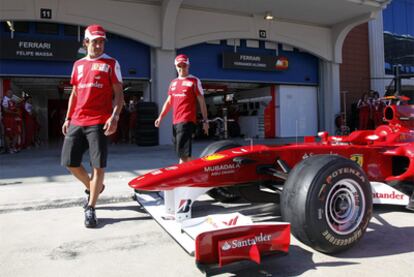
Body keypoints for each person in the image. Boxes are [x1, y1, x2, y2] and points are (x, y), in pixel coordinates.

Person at [61, 24, 124, 228]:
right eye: (94, 41)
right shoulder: (78, 65)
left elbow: (119, 95)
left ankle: (91, 207)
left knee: (98, 166)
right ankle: (94, 187)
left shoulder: (111, 63)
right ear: (86, 42)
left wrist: (114, 117)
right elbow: (75, 93)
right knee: (70, 162)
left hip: (99, 121)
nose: (98, 45)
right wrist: (68, 118)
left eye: (101, 41)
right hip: (78, 119)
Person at [155, 54, 209, 163]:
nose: (181, 68)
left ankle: (190, 174)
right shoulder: (173, 83)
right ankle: (202, 166)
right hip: (176, 122)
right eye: (179, 66)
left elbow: (202, 101)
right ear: (176, 67)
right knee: (182, 154)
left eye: (184, 66)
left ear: (188, 65)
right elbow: (169, 102)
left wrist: (205, 121)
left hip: (187, 120)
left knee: (183, 156)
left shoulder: (194, 81)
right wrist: (160, 117)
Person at [1, 89, 19, 153]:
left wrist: (16, 105)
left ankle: (13, 147)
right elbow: (5, 110)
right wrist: (15, 113)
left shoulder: (11, 100)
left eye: (12, 93)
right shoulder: (5, 100)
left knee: (16, 133)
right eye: (9, 92)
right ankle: (9, 149)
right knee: (7, 134)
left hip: (13, 119)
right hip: (7, 119)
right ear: (6, 93)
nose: (11, 94)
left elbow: (14, 108)